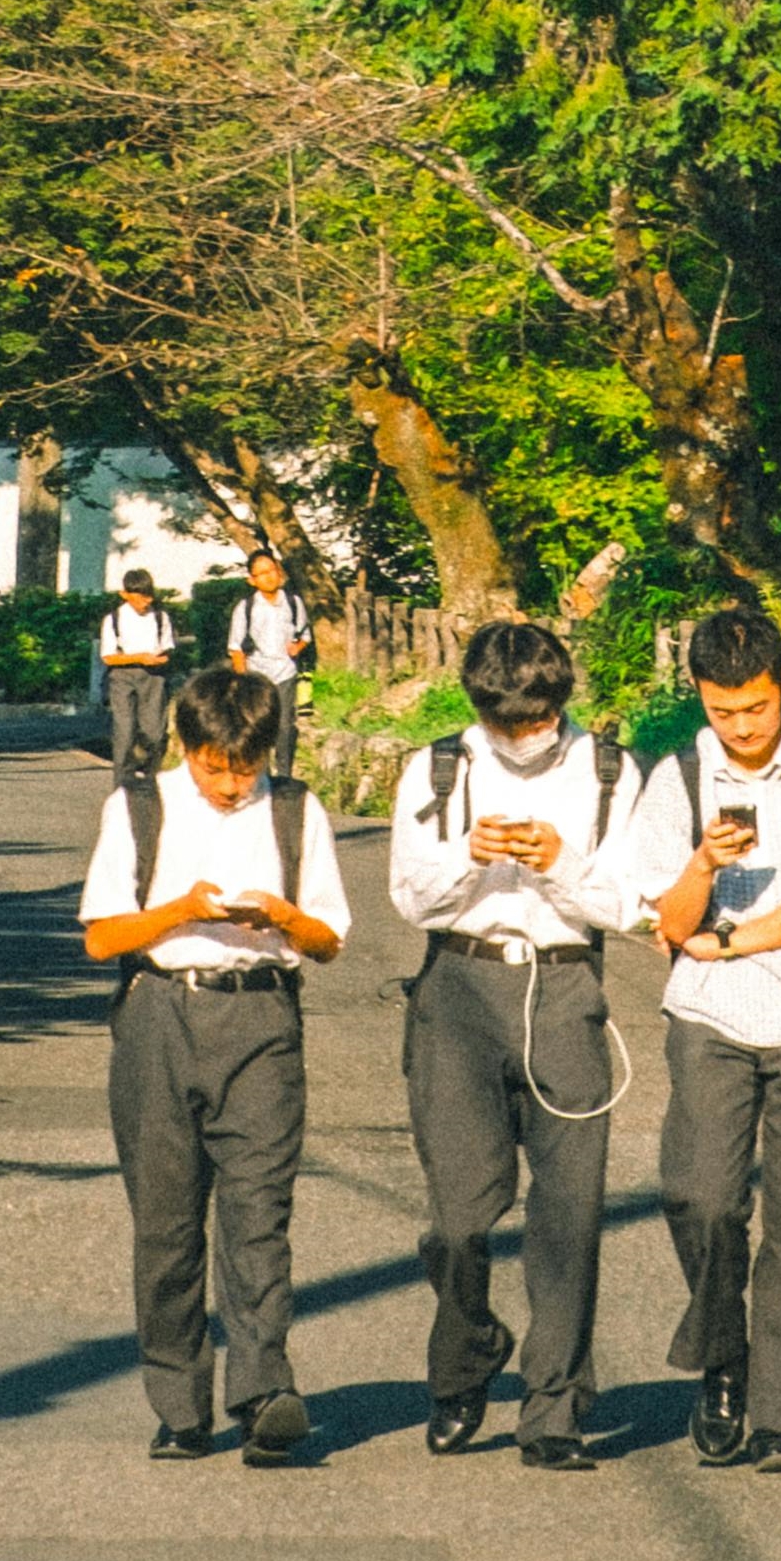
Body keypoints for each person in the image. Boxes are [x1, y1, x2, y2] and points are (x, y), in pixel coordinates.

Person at [628, 604, 781, 1475]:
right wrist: (702, 863)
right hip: (709, 1016)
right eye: (722, 711)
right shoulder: (675, 778)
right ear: (699, 696)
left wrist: (737, 936)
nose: (740, 728)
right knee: (701, 1199)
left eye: (756, 709)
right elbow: (666, 923)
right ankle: (724, 1357)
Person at [77, 666, 350, 1464]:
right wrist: (182, 911)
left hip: (263, 1016)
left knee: (258, 1213)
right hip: (161, 1013)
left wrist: (284, 916)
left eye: (247, 766)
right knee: (166, 1224)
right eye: (215, 766)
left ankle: (264, 1391)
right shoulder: (139, 807)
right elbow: (101, 938)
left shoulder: (297, 811)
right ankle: (180, 1403)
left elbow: (329, 941)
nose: (232, 785)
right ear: (186, 747)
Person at [390, 622, 644, 1471]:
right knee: (460, 1220)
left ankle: (555, 1409)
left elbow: (628, 904)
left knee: (568, 1214)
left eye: (539, 721)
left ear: (561, 703)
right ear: (479, 710)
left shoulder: (609, 770)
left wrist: (560, 863)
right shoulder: (438, 768)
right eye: (508, 725)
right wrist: (470, 857)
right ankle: (465, 1358)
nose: (526, 739)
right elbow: (409, 898)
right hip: (458, 988)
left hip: (567, 988)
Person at [227, 548, 312, 779]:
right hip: (257, 677)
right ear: (251, 580)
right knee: (259, 728)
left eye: (272, 570)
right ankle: (262, 777)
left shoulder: (293, 603)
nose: (269, 576)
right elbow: (236, 648)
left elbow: (304, 635)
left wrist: (297, 647)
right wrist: (242, 683)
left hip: (285, 673)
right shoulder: (246, 608)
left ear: (279, 571)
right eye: (261, 573)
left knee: (284, 727)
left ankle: (283, 776)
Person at [98, 569, 178, 784]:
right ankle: (122, 784)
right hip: (122, 677)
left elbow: (167, 649)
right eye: (140, 595)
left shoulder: (160, 617)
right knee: (124, 732)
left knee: (155, 733)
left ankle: (150, 779)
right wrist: (138, 658)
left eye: (149, 595)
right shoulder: (114, 619)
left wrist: (159, 660)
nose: (146, 601)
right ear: (125, 594)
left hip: (153, 677)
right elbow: (108, 657)